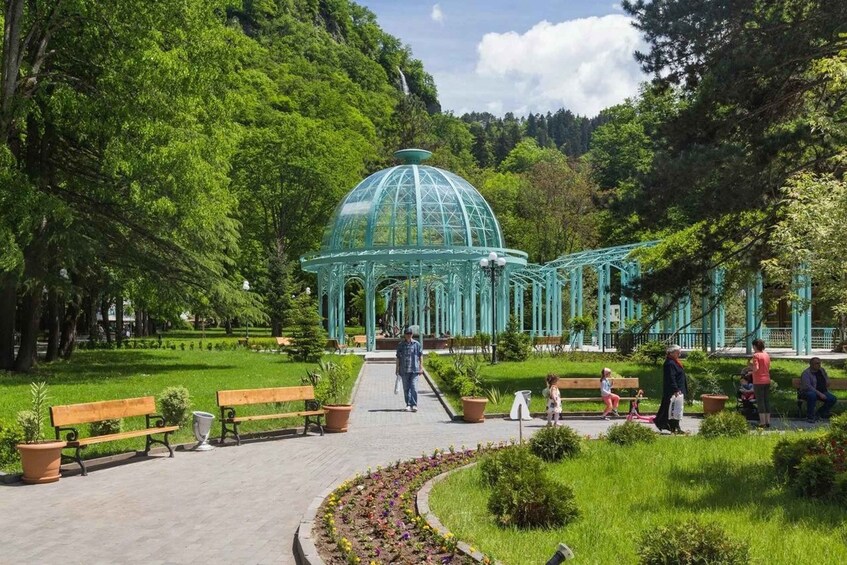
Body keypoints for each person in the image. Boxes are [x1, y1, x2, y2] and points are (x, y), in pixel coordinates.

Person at [655, 344, 688, 434]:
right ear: (672, 353)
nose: (679, 354)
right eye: (678, 352)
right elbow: (671, 378)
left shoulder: (674, 362)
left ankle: (674, 427)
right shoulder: (669, 363)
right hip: (673, 390)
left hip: (678, 389)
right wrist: (676, 390)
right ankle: (672, 427)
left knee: (674, 409)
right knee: (672, 410)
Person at [799, 357, 838, 422]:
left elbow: (826, 376)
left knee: (832, 399)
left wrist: (827, 381)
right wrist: (819, 394)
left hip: (822, 391)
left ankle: (818, 414)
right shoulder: (806, 373)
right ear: (811, 364)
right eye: (817, 363)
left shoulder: (821, 370)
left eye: (820, 363)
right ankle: (810, 417)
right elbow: (808, 387)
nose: (819, 365)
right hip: (807, 392)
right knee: (812, 395)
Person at [395, 327, 423, 412]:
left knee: (414, 387)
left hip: (414, 370)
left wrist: (421, 367)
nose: (408, 335)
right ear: (404, 335)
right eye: (407, 334)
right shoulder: (401, 345)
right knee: (406, 388)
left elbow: (420, 355)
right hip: (404, 370)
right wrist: (397, 368)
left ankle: (414, 404)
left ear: (412, 334)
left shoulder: (416, 344)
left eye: (410, 334)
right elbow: (398, 357)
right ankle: (408, 404)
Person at [750, 338, 771, 428]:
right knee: (766, 400)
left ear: (755, 346)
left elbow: (756, 368)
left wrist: (750, 366)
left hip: (758, 381)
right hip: (767, 380)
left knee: (760, 401)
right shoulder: (766, 355)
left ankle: (762, 422)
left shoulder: (756, 355)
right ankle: (768, 421)